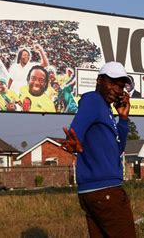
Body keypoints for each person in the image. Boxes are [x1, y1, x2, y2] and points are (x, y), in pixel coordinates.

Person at [58, 62, 136, 237]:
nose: (117, 89)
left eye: (121, 86)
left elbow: (118, 149)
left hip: (94, 192)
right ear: (100, 80)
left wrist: (123, 119)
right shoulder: (93, 101)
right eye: (113, 83)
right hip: (105, 190)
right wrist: (73, 142)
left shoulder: (106, 111)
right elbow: (75, 132)